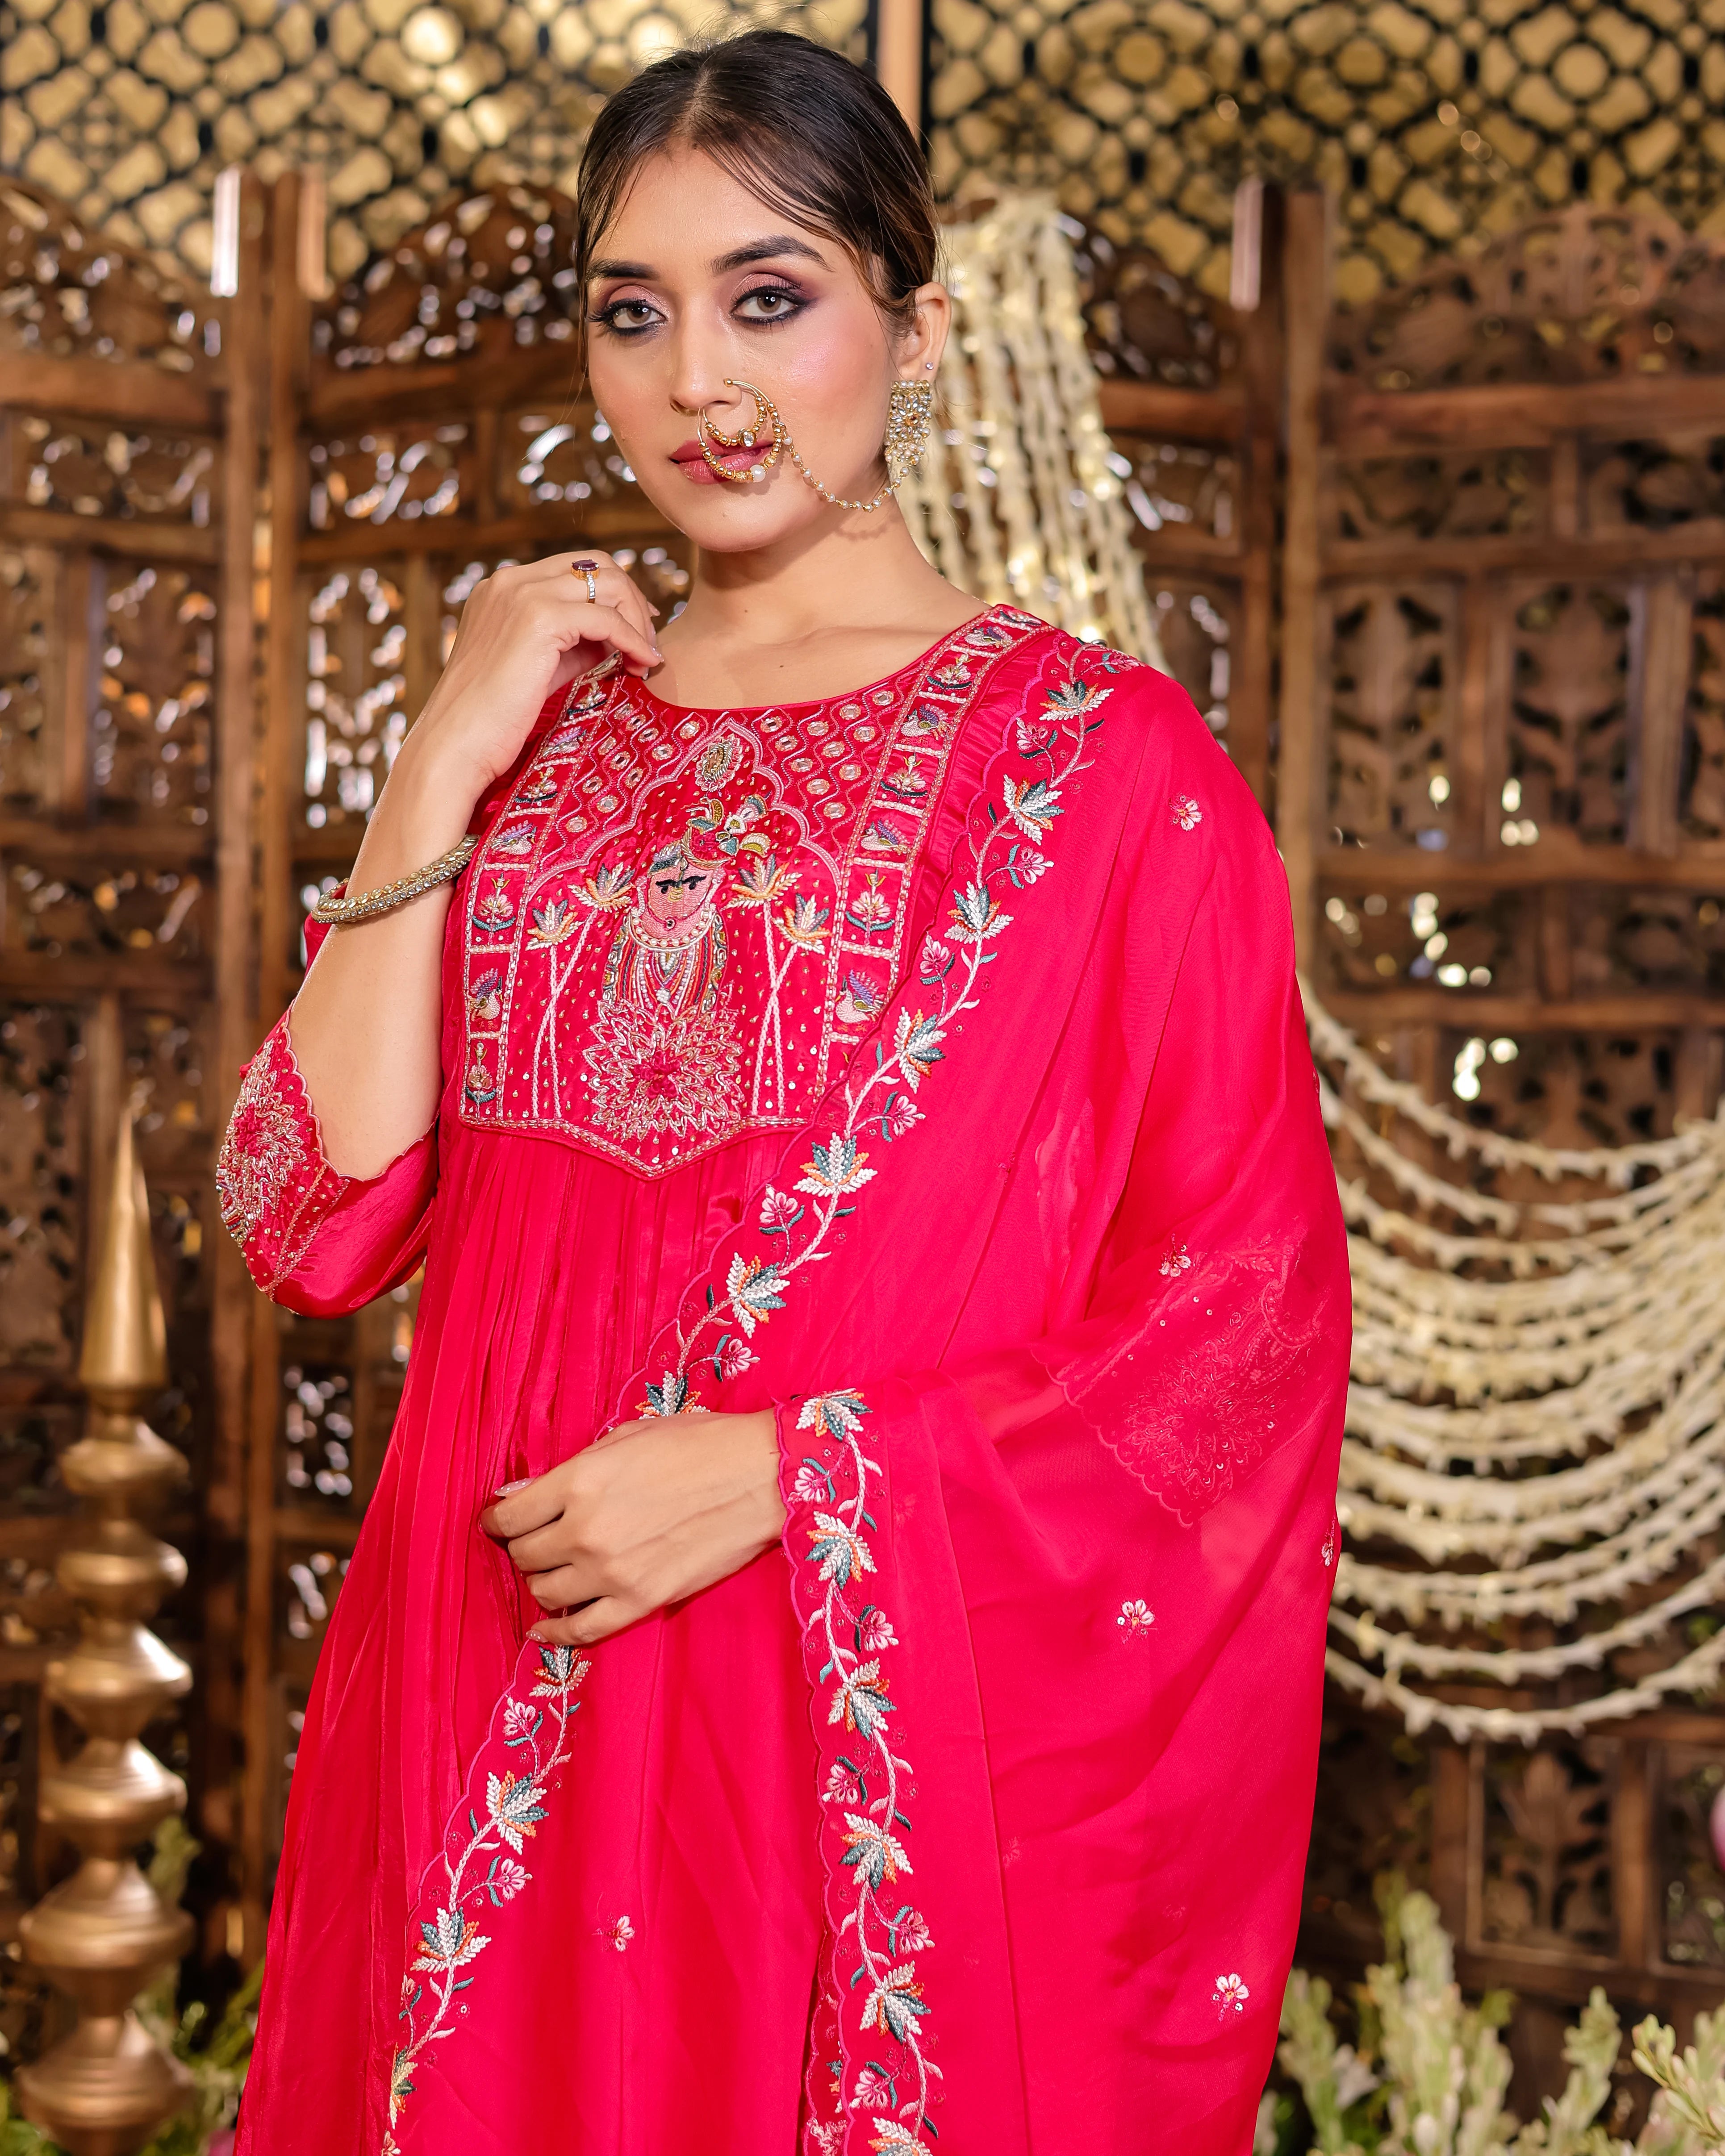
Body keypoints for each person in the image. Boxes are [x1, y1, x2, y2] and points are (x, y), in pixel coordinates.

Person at [221, 29, 1349, 2156]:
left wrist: (801, 1477)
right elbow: (309, 1212)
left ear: (914, 329)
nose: (697, 383)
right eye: (630, 313)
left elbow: (1241, 1345)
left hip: (813, 1741)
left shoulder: (1104, 781)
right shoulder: (541, 737)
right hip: (476, 1665)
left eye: (771, 296)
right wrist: (437, 758)